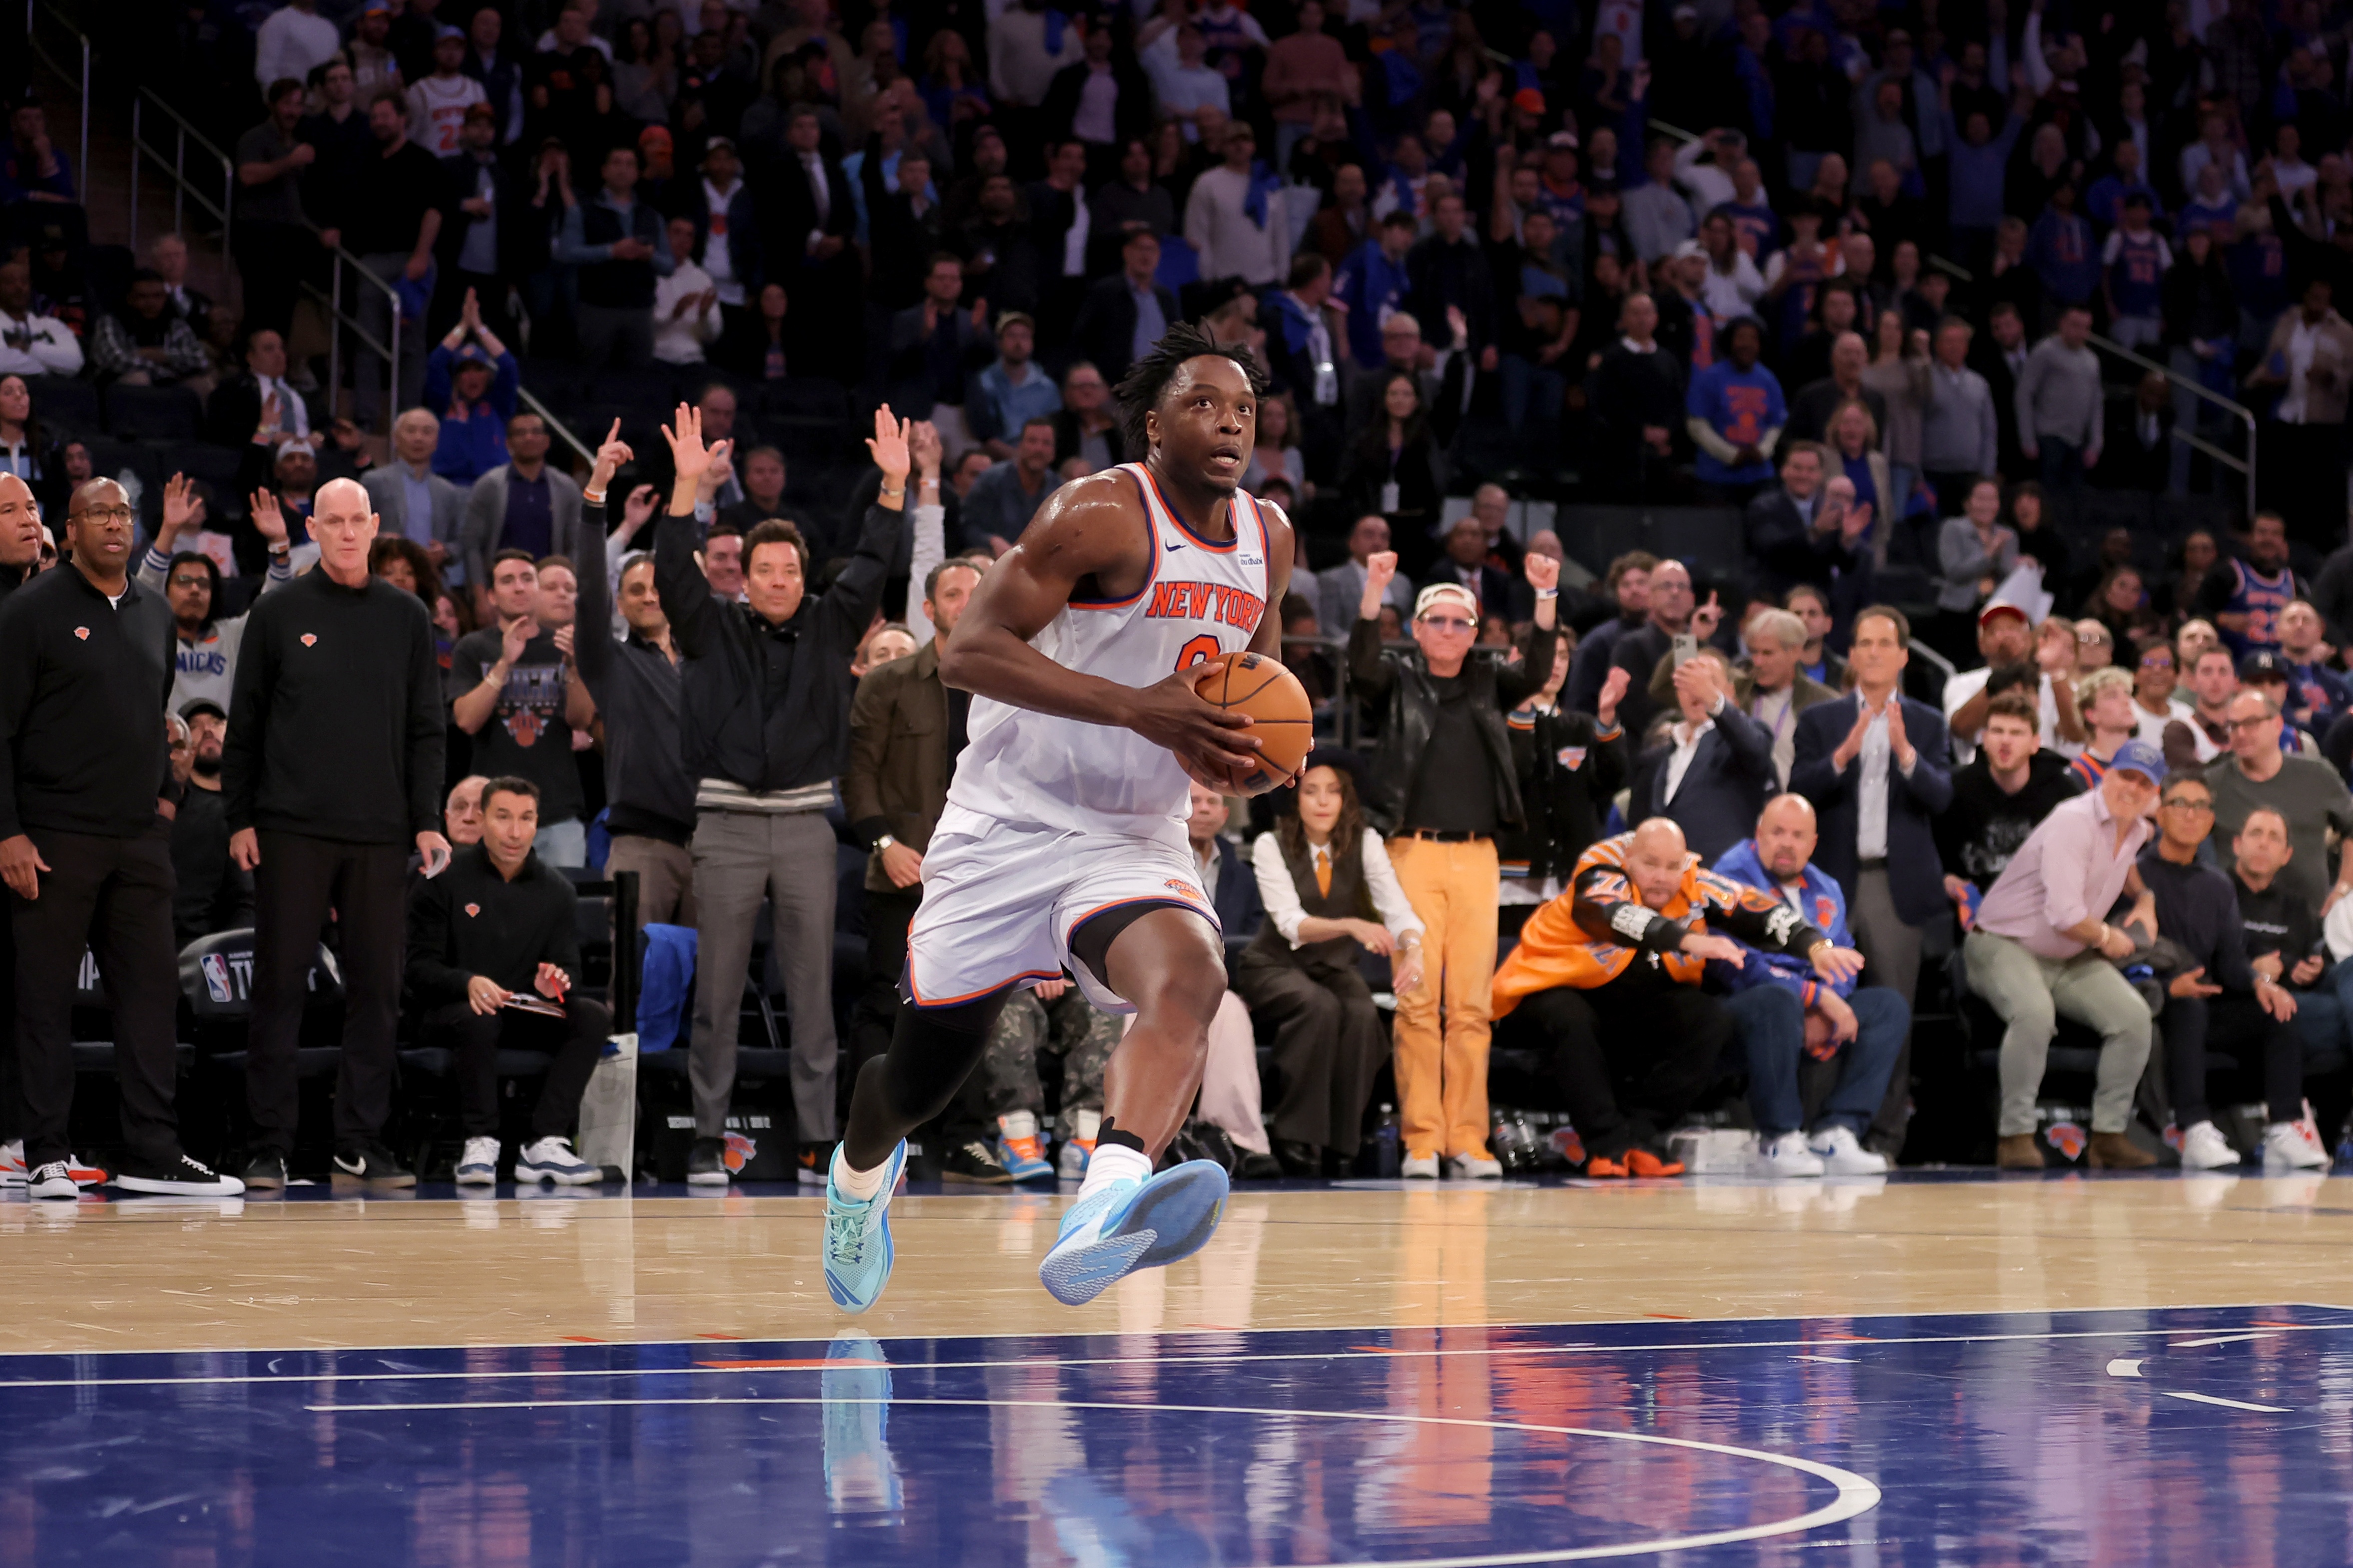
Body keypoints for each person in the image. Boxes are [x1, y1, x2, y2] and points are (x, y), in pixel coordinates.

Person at [820, 324, 1294, 1314]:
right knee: (918, 1083)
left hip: (1132, 832)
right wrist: (1138, 709)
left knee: (1193, 980)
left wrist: (1250, 756)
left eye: (1244, 410)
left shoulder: (1269, 539)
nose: (1229, 424)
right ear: (1153, 424)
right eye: (1204, 404)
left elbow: (1256, 693)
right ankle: (859, 1178)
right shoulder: (1099, 513)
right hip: (1009, 821)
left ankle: (1105, 1202)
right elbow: (969, 653)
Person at [657, 402, 906, 1190]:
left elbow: (872, 560)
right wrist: (686, 489)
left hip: (803, 827)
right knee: (716, 994)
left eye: (789, 571)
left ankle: (816, 1139)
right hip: (725, 826)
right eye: (763, 569)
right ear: (742, 574)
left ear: (803, 577)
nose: (776, 580)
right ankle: (706, 1136)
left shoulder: (832, 625)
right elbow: (671, 574)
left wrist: (893, 487)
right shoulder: (709, 626)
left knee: (811, 996)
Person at [0, 478, 243, 1198]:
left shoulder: (155, 612)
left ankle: (154, 1152)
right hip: (54, 834)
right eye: (97, 513)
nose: (113, 524)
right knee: (44, 999)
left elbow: (156, 715)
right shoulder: (29, 610)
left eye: (123, 513)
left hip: (139, 839)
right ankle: (45, 1150)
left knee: (149, 998)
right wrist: (8, 831)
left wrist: (164, 803)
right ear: (71, 530)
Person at [224, 475, 450, 1190]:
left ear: (375, 525)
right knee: (279, 988)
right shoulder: (278, 610)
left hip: (381, 833)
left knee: (377, 992)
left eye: (358, 520)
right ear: (312, 529)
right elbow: (246, 722)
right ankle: (268, 1145)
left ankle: (359, 1142)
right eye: (334, 521)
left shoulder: (406, 614)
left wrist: (427, 820)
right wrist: (239, 817)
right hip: (291, 828)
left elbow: (426, 728)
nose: (348, 532)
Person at [1491, 818, 1858, 1177]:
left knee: (1708, 1017)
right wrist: (1686, 940)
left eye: (1671, 867)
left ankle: (1637, 1135)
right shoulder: (1600, 868)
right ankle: (1606, 1145)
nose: (1662, 877)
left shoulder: (1692, 880)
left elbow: (1755, 908)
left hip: (1620, 1004)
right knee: (1571, 1017)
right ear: (1630, 859)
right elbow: (1613, 915)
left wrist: (1815, 946)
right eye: (1650, 865)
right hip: (1538, 991)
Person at [1350, 552, 1559, 1179]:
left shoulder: (1491, 682)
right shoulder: (1396, 681)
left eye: (1460, 622)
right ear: (1416, 629)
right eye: (1436, 620)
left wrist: (1545, 595)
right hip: (1411, 852)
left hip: (1477, 856)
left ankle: (1468, 1138)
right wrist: (1375, 589)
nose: (1448, 630)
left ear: (1474, 633)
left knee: (1471, 1007)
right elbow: (1360, 665)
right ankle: (1421, 1140)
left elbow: (1540, 668)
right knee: (1417, 1003)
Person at [843, 451, 1006, 1184]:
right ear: (931, 608)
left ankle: (964, 1138)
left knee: (972, 1004)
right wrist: (884, 843)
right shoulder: (887, 682)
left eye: (977, 591)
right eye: (951, 592)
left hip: (982, 871)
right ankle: (876, 1140)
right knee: (887, 1001)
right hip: (902, 865)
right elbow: (858, 777)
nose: (965, 601)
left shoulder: (1015, 682)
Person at [1791, 606, 1952, 1152]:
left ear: (1903, 655)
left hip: (1894, 887)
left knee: (1892, 1015)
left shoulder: (1928, 723)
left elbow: (1941, 797)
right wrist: (1843, 754)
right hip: (1829, 885)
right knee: (1821, 1004)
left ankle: (1883, 1137)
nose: (1875, 652)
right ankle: (1814, 1130)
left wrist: (1905, 753)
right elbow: (1798, 791)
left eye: (1885, 643)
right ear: (1853, 654)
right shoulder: (1820, 720)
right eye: (1864, 643)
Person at [1964, 739, 2165, 1171]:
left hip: (2067, 955)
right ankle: (2014, 1136)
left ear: (2154, 794)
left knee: (2133, 1019)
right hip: (2002, 942)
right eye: (2125, 776)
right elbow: (2064, 915)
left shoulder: (2136, 829)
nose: (2131, 788)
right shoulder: (2073, 821)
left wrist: (2145, 898)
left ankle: (2108, 1136)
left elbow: (2124, 862)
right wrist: (2107, 935)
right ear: (2105, 776)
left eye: (2143, 783)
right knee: (2034, 1014)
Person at [406, 776, 607, 1186]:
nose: (515, 832)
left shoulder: (558, 891)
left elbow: (569, 968)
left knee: (591, 1015)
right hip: (449, 1011)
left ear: (537, 823)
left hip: (520, 1010)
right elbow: (417, 967)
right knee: (479, 1016)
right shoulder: (443, 879)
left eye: (526, 819)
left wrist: (555, 984)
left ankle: (546, 1142)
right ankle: (480, 1139)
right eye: (503, 817)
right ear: (482, 820)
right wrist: (466, 982)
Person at [1237, 758, 1421, 1176]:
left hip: (1332, 966)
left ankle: (1345, 1141)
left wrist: (1413, 949)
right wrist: (1351, 925)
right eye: (1311, 791)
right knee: (1317, 1006)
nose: (1322, 802)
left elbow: (1396, 909)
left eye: (1333, 792)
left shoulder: (1365, 842)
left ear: (1346, 800)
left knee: (1361, 1013)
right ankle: (1295, 1136)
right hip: (1273, 965)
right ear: (1295, 800)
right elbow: (1290, 923)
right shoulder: (1270, 844)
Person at [1713, 795, 1908, 1176]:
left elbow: (1844, 958)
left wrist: (1828, 1005)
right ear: (1758, 834)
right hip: (1744, 1012)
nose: (1786, 844)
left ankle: (1837, 1132)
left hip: (1808, 1009)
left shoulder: (1826, 887)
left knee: (1887, 1008)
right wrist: (1815, 998)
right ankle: (1779, 1138)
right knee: (1776, 1001)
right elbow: (1736, 963)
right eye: (1777, 833)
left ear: (1813, 843)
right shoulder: (1730, 877)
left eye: (1797, 835)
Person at [2142, 786, 2325, 1172]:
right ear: (2160, 815)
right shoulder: (2137, 875)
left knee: (2277, 1011)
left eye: (2200, 807)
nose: (2190, 815)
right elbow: (2124, 948)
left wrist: (2259, 983)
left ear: (2210, 821)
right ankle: (2194, 1129)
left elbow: (2230, 957)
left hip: (2213, 999)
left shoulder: (2215, 884)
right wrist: (2166, 986)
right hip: (2161, 995)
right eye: (2180, 804)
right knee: (2189, 1006)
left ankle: (2284, 1127)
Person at [572, 444, 693, 928]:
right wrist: (596, 494)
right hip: (642, 845)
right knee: (636, 968)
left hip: (716, 845)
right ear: (619, 605)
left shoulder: (707, 660)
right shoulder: (609, 660)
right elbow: (589, 588)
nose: (649, 596)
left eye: (657, 587)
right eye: (636, 590)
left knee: (714, 973)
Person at [1936, 689, 2082, 926]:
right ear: (1984, 739)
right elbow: (1935, 857)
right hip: (1976, 921)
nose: (2005, 741)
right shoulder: (1955, 789)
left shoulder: (2062, 793)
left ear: (2035, 743)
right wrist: (1946, 880)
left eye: (2017, 733)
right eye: (1997, 731)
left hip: (2043, 918)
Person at [2204, 688, 2353, 914]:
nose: (2241, 733)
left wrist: (2344, 887)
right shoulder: (2212, 784)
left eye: (2251, 723)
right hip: (2235, 920)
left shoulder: (2317, 776)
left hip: (2310, 921)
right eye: (2233, 726)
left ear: (2277, 725)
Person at [1634, 647, 1776, 865]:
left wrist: (1713, 699)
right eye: (1689, 683)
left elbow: (1755, 750)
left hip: (1721, 877)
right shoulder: (1662, 754)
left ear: (1729, 692)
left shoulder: (1740, 741)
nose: (1697, 691)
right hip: (1669, 877)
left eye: (1709, 682)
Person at [461, 412, 585, 599]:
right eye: (520, 433)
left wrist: (568, 589)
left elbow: (576, 546)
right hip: (499, 591)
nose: (529, 437)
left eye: (535, 432)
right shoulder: (489, 485)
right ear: (508, 443)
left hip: (548, 592)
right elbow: (471, 545)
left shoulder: (566, 488)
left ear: (547, 441)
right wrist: (481, 597)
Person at [364, 409, 467, 585]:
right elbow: (358, 530)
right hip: (384, 579)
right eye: (411, 431)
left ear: (436, 441)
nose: (419, 438)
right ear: (396, 438)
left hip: (432, 581)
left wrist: (444, 552)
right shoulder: (374, 481)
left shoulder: (448, 491)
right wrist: (381, 540)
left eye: (427, 432)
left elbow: (460, 542)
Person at [2196, 512, 2304, 661]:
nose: (2268, 539)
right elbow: (2197, 612)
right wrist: (2222, 619)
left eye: (2275, 534)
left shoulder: (2293, 582)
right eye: (2262, 532)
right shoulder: (2228, 573)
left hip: (2281, 667)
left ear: (2283, 541)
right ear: (2250, 538)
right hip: (2234, 664)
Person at [960, 416, 1059, 554]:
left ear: (1054, 452)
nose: (1039, 449)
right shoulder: (990, 481)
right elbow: (968, 526)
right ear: (1020, 446)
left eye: (1046, 443)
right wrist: (991, 541)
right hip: (994, 562)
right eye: (1032, 441)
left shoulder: (1059, 490)